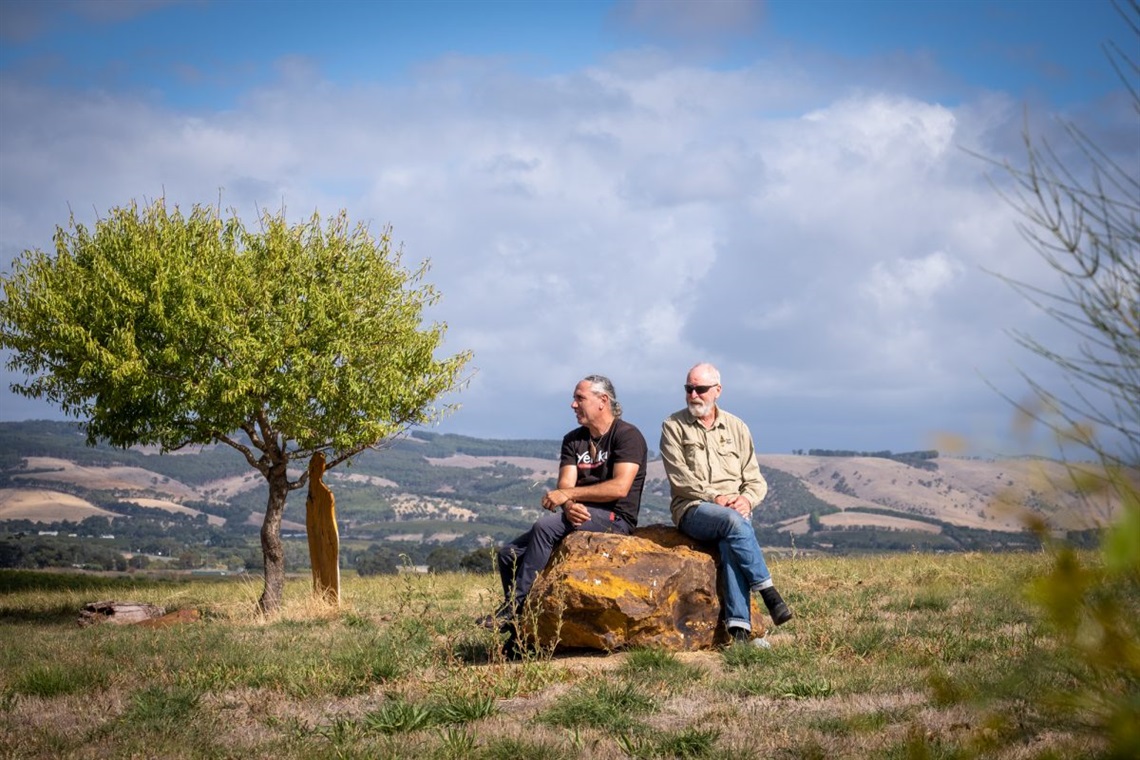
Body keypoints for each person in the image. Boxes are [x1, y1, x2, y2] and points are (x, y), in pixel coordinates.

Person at [482, 374, 648, 652]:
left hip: (615, 519)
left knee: (545, 526)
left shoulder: (627, 435)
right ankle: (521, 634)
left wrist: (569, 497)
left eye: (580, 398)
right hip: (578, 514)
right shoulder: (574, 440)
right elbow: (565, 486)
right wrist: (569, 506)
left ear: (602, 401)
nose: (573, 405)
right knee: (509, 554)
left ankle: (515, 608)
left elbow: (620, 487)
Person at [659, 362, 793, 646]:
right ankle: (768, 591)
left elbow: (755, 479)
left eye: (701, 389)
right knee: (734, 523)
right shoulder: (673, 426)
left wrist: (746, 499)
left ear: (717, 391)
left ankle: (739, 632)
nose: (694, 394)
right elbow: (680, 478)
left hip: (734, 510)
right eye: (689, 389)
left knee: (732, 538)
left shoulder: (737, 427)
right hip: (694, 508)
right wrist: (715, 498)